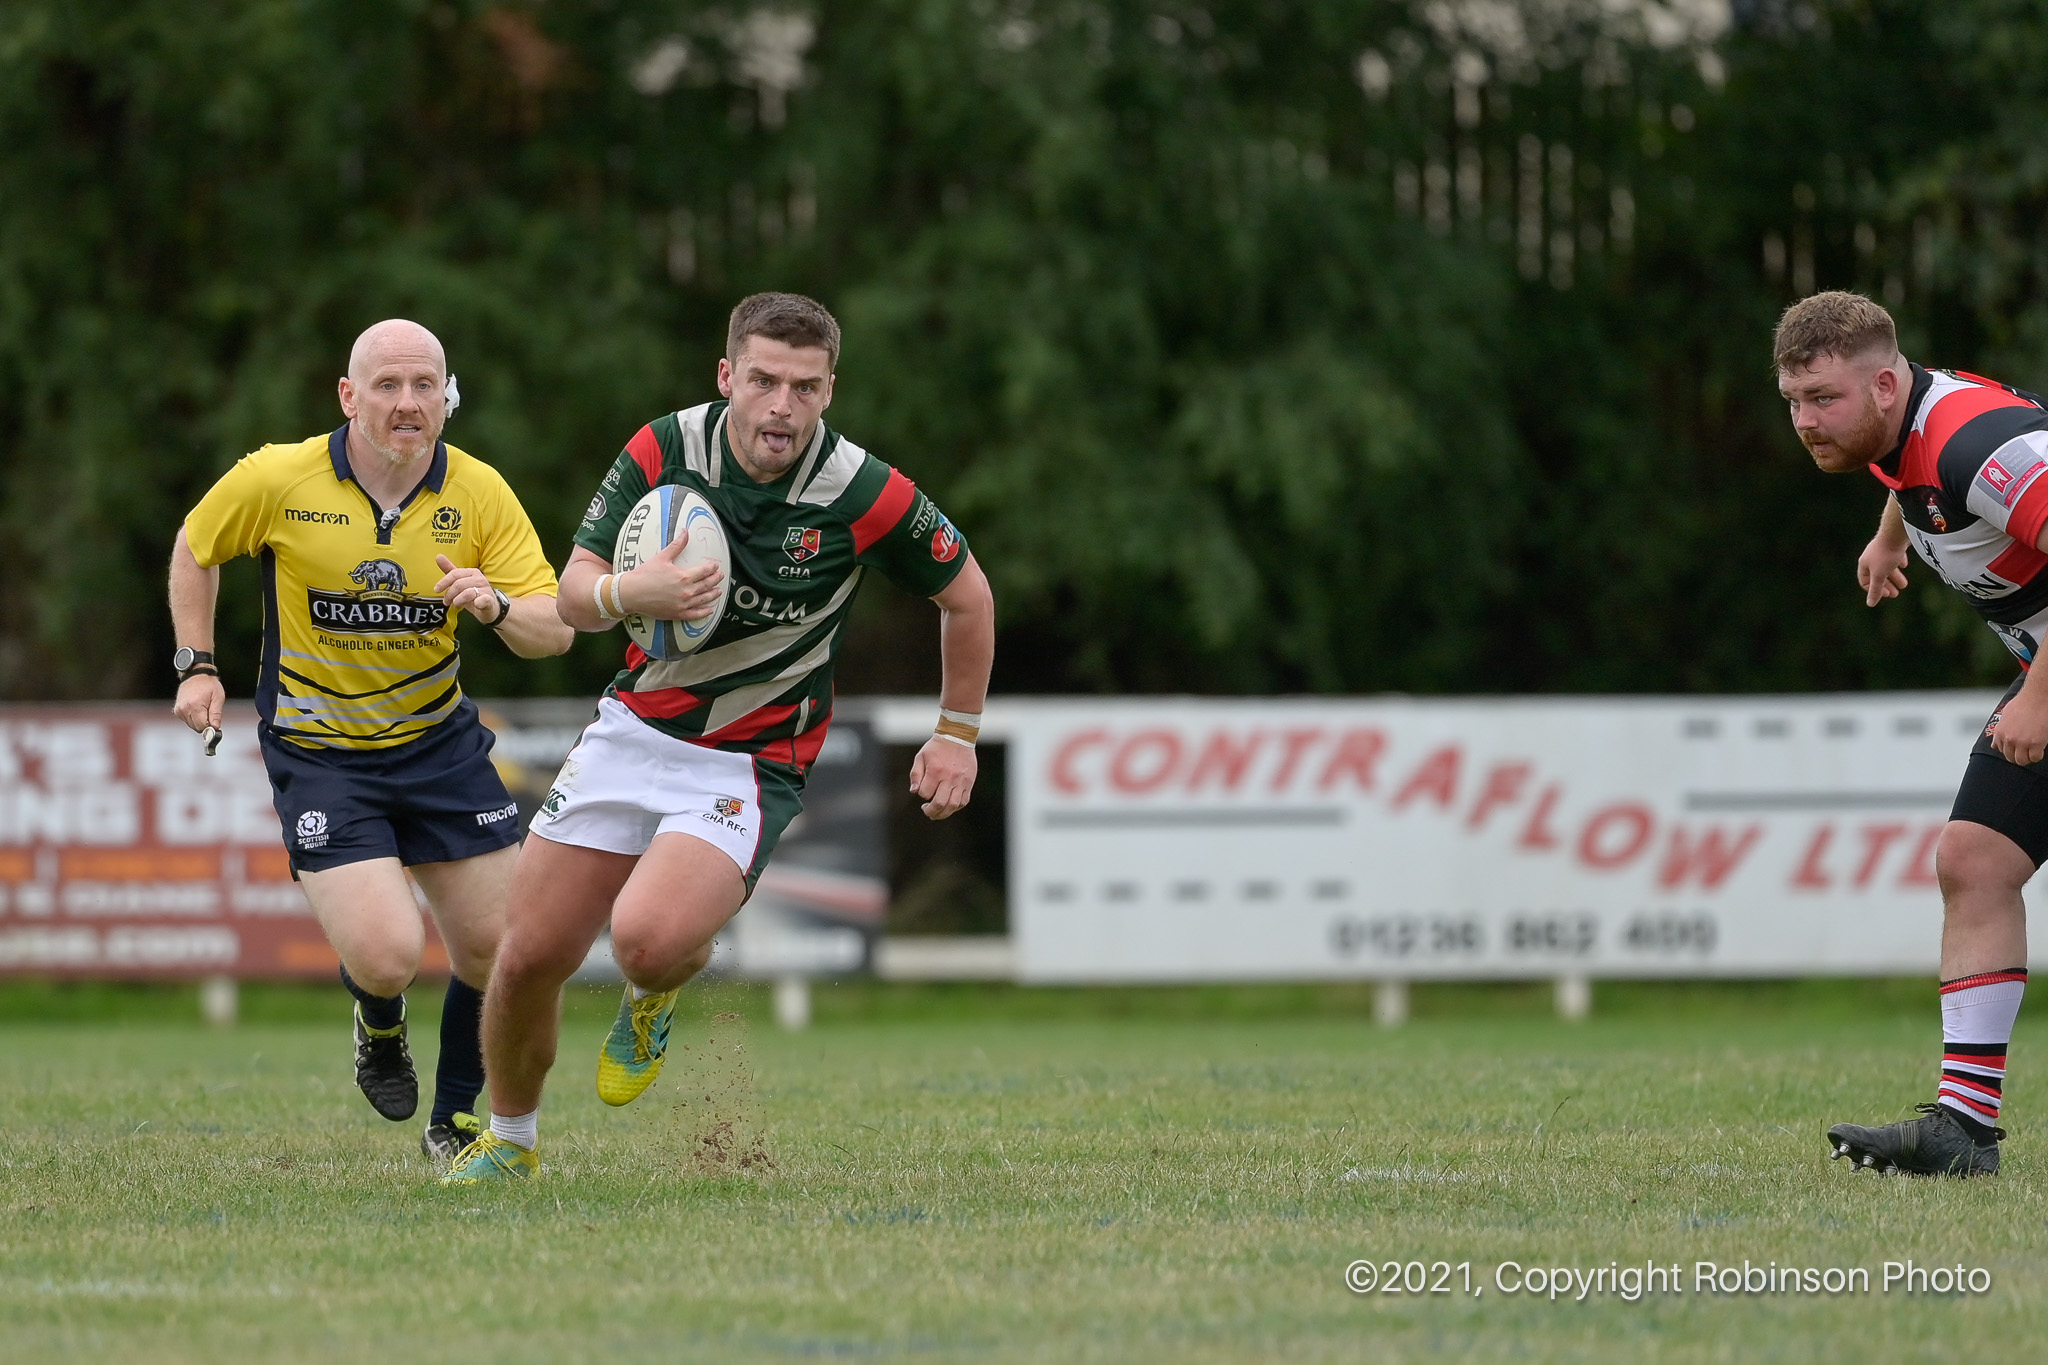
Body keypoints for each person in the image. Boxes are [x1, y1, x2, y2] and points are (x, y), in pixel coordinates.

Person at [443, 292, 994, 1183]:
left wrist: (957, 733)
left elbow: (968, 595)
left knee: (646, 941)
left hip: (749, 757)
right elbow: (574, 594)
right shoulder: (663, 450)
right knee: (529, 952)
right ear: (728, 375)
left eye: (806, 388)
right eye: (766, 381)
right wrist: (636, 595)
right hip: (633, 731)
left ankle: (655, 990)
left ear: (829, 391)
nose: (784, 405)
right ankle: (510, 1143)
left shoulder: (860, 490)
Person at [169, 319, 573, 1164]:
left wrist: (494, 605)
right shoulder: (280, 477)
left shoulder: (479, 493)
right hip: (320, 754)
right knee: (391, 956)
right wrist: (196, 664)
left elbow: (555, 628)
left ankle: (456, 1123)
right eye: (386, 386)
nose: (407, 402)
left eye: (425, 384)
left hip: (438, 746)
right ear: (348, 397)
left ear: (447, 397)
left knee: (501, 948)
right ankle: (379, 1023)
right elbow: (196, 547)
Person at [1777, 290, 2042, 1176]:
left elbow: (1960, 465)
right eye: (1793, 401)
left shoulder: (1976, 442)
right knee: (1975, 858)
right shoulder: (1902, 428)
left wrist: (2039, 693)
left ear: (1885, 385)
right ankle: (1965, 1131)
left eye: (1824, 400)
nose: (1805, 422)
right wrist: (1892, 534)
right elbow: (1911, 470)